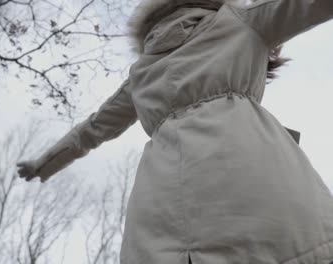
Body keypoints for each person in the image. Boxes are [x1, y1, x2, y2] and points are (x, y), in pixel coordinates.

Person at [17, 0, 333, 263]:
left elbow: (91, 130)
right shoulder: (240, 22)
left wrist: (42, 164)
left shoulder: (142, 71)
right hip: (253, 173)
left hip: (159, 201)